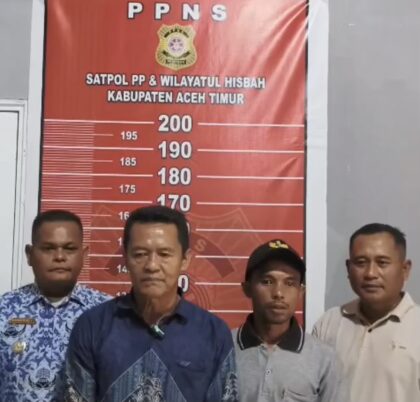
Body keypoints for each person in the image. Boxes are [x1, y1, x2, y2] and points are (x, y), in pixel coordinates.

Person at [64, 205, 239, 402]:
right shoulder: (93, 326)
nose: (152, 266)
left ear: (185, 260)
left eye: (164, 254)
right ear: (125, 258)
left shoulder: (213, 333)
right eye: (140, 254)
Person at [0, 209, 110, 402]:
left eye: (69, 248)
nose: (59, 256)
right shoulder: (4, 310)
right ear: (29, 254)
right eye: (49, 248)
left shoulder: (107, 313)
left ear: (83, 254)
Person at [313, 223, 420, 402]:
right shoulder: (329, 323)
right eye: (361, 263)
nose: (370, 273)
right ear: (348, 269)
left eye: (382, 263)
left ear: (405, 269)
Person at [233, 239, 346, 402]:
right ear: (247, 288)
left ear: (301, 292)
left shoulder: (324, 359)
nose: (278, 293)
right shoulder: (222, 349)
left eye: (289, 283)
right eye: (267, 281)